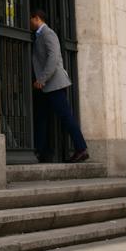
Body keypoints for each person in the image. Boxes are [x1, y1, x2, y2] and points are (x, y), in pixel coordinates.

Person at [30, 9, 89, 163]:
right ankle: (41, 152)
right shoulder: (40, 35)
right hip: (46, 87)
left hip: (54, 84)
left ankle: (81, 149)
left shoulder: (48, 33)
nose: (29, 24)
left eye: (31, 20)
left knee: (66, 117)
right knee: (41, 117)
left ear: (36, 18)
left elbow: (53, 58)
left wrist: (42, 79)